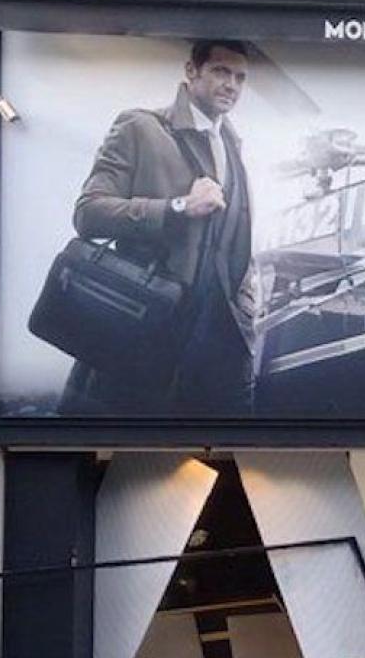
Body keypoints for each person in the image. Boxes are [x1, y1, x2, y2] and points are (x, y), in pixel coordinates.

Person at [60, 38, 259, 415]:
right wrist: (178, 207)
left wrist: (247, 304)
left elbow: (234, 243)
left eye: (240, 77)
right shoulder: (140, 127)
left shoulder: (233, 144)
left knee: (232, 458)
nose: (231, 85)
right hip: (145, 332)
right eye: (220, 71)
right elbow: (88, 214)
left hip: (222, 345)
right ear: (191, 71)